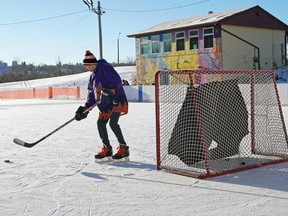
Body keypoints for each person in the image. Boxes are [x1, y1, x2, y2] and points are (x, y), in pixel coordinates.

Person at [75, 50, 129, 160]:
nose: (86, 68)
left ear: (92, 64)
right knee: (100, 123)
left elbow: (116, 80)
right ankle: (107, 148)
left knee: (113, 124)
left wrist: (109, 91)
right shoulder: (92, 77)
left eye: (87, 65)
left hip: (116, 101)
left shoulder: (105, 68)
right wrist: (86, 108)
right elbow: (91, 93)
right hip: (105, 104)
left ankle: (124, 148)